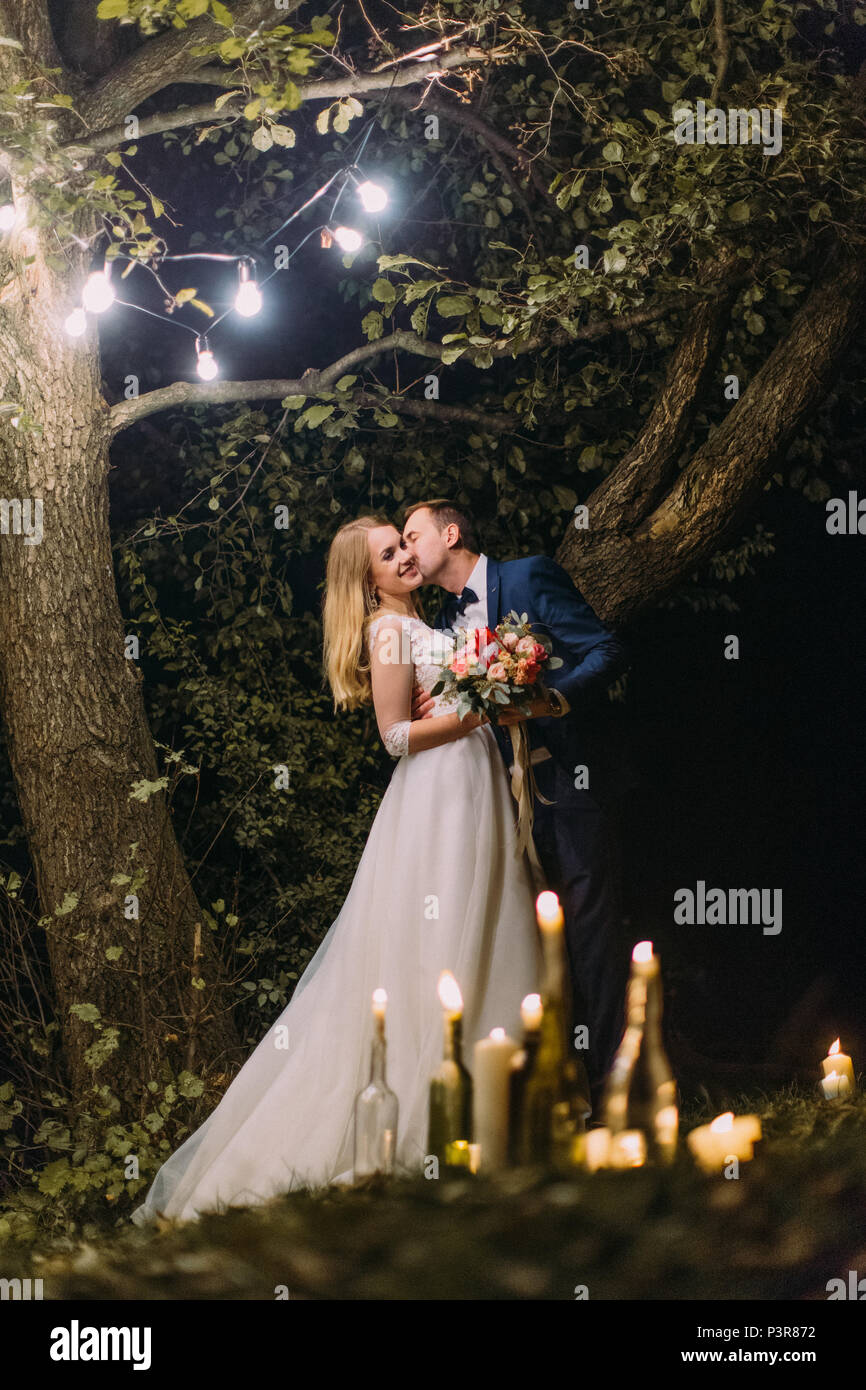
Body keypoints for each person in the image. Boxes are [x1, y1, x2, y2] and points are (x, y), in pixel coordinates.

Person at [131, 516, 540, 1224]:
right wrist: (478, 712)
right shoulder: (388, 630)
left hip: (472, 784)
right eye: (388, 555)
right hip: (436, 796)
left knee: (489, 920)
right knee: (435, 942)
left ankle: (498, 1112)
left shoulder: (430, 620)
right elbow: (395, 736)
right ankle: (424, 1120)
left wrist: (490, 694)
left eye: (403, 545)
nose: (405, 558)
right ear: (368, 579)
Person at [402, 500, 632, 1109]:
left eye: (413, 535)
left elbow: (606, 651)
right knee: (532, 936)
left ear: (450, 534)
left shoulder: (528, 576)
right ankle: (560, 1093)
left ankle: (616, 1091)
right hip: (501, 792)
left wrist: (548, 701)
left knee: (590, 930)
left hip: (568, 778)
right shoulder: (447, 619)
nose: (405, 548)